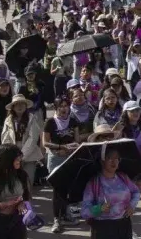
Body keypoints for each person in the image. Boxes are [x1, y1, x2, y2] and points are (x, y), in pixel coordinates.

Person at [78, 144, 141, 239]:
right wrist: (99, 208)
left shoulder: (123, 177)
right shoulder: (94, 183)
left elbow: (136, 192)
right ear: (102, 161)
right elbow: (84, 212)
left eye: (117, 158)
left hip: (124, 225)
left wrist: (132, 205)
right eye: (109, 158)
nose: (114, 161)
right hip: (103, 229)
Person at [41, 96, 80, 233]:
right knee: (57, 190)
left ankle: (66, 215)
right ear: (56, 108)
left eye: (66, 105)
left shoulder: (73, 121)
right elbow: (45, 142)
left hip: (69, 159)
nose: (64, 108)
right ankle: (57, 220)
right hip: (55, 159)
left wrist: (72, 147)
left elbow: (77, 140)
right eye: (61, 106)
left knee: (68, 188)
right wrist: (61, 147)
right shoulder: (50, 122)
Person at [0, 145, 31, 239]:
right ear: (6, 160)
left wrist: (22, 204)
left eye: (20, 157)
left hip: (17, 220)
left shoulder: (22, 175)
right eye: (17, 158)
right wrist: (5, 204)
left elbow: (26, 198)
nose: (19, 160)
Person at [0, 96, 43, 190]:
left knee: (27, 182)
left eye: (22, 104)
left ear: (26, 106)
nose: (19, 106)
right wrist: (13, 154)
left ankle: (27, 204)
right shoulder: (8, 120)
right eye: (17, 104)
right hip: (12, 153)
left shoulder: (32, 118)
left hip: (29, 153)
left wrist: (22, 155)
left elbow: (33, 138)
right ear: (13, 107)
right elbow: (5, 138)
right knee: (14, 183)